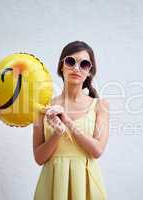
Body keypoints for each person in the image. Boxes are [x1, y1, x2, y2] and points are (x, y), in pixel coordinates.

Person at [33, 40, 109, 200]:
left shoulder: (100, 106)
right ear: (61, 66)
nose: (76, 68)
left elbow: (97, 150)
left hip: (86, 186)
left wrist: (67, 122)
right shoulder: (43, 107)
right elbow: (39, 158)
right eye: (70, 61)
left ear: (89, 71)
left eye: (84, 64)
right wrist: (57, 133)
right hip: (52, 186)